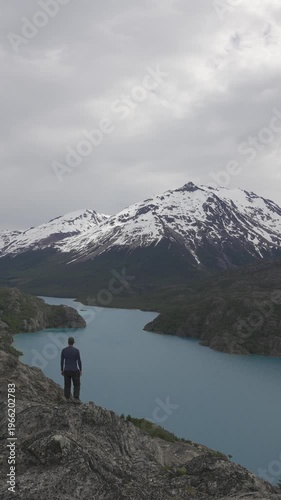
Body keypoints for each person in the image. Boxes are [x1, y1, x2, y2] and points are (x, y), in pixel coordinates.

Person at [61, 337, 82, 402]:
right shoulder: (76, 350)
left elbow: (62, 361)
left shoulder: (64, 350)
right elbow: (79, 361)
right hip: (75, 370)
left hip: (66, 370)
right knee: (76, 384)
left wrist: (62, 369)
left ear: (68, 342)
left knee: (67, 384)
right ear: (73, 343)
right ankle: (76, 398)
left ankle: (67, 398)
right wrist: (80, 370)